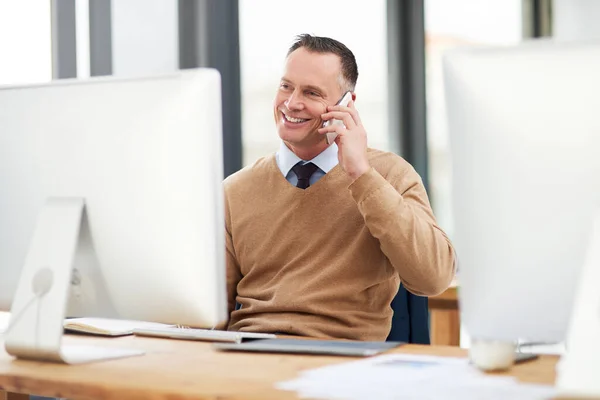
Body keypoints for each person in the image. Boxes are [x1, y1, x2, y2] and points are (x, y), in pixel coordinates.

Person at [222, 34, 455, 341]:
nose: (292, 103)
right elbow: (206, 311)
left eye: (312, 92)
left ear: (347, 104)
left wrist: (361, 174)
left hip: (344, 359)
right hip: (250, 353)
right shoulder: (235, 190)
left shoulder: (390, 175)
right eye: (286, 86)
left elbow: (434, 278)